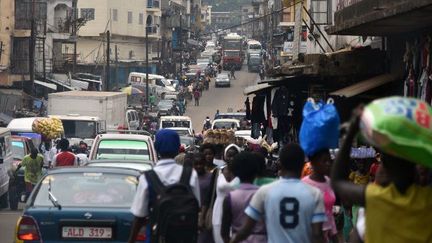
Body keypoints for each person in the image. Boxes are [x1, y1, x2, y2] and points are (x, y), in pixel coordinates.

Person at [331, 110, 432, 243]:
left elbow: (337, 182)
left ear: (385, 166)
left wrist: (351, 132)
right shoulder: (427, 199)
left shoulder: (376, 197)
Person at [230, 143, 326, 243]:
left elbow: (245, 230)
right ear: (303, 164)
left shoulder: (264, 192)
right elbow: (317, 234)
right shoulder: (315, 194)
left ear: (280, 164)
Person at [129, 129, 201, 243]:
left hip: (156, 237)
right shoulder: (191, 175)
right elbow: (197, 207)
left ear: (156, 147)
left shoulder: (147, 178)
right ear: (178, 148)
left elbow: (139, 215)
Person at [221, 152, 266, 243]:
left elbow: (224, 231)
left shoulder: (230, 197)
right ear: (255, 171)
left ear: (234, 172)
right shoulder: (264, 194)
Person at [302, 150, 337, 242]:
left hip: (327, 236)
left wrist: (334, 235)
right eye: (324, 161)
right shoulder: (305, 184)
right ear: (313, 162)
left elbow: (329, 213)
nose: (328, 164)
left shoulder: (328, 181)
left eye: (329, 160)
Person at [212, 144, 241, 243]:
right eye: (229, 155)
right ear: (224, 156)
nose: (232, 158)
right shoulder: (217, 171)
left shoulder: (243, 173)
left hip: (236, 212)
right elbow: (210, 194)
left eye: (234, 155)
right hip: (219, 211)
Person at [194, 152, 215, 243]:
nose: (199, 166)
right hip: (191, 214)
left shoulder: (211, 177)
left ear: (204, 163)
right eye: (196, 164)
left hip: (206, 215)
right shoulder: (189, 177)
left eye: (201, 164)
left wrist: (202, 216)